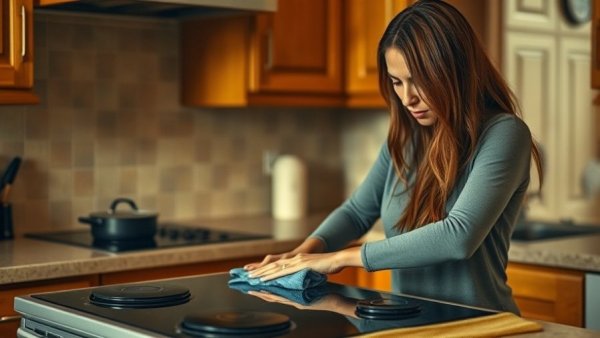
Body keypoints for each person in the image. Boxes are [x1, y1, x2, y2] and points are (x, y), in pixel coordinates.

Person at [245, 0, 543, 314]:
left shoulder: (505, 134)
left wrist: (339, 258)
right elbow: (357, 213)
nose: (407, 98)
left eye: (421, 80)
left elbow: (459, 236)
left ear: (455, 71)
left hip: (482, 327)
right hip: (409, 325)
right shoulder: (406, 140)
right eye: (397, 82)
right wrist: (303, 253)